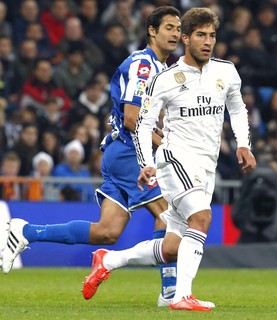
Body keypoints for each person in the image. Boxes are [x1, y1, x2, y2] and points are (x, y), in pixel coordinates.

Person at [2, 6, 183, 308]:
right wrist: (163, 142)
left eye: (178, 29)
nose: (176, 34)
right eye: (169, 27)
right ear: (152, 31)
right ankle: (170, 292)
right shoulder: (144, 65)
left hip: (117, 152)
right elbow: (131, 118)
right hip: (130, 152)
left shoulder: (161, 68)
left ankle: (25, 231)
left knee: (106, 232)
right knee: (169, 214)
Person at [82, 7, 256, 312]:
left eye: (212, 35)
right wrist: (147, 162)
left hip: (205, 165)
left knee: (174, 246)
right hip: (175, 159)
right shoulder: (166, 78)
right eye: (200, 35)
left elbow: (238, 109)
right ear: (186, 39)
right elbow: (143, 123)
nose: (207, 42)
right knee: (201, 219)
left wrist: (244, 144)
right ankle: (181, 296)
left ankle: (108, 260)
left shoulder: (226, 72)